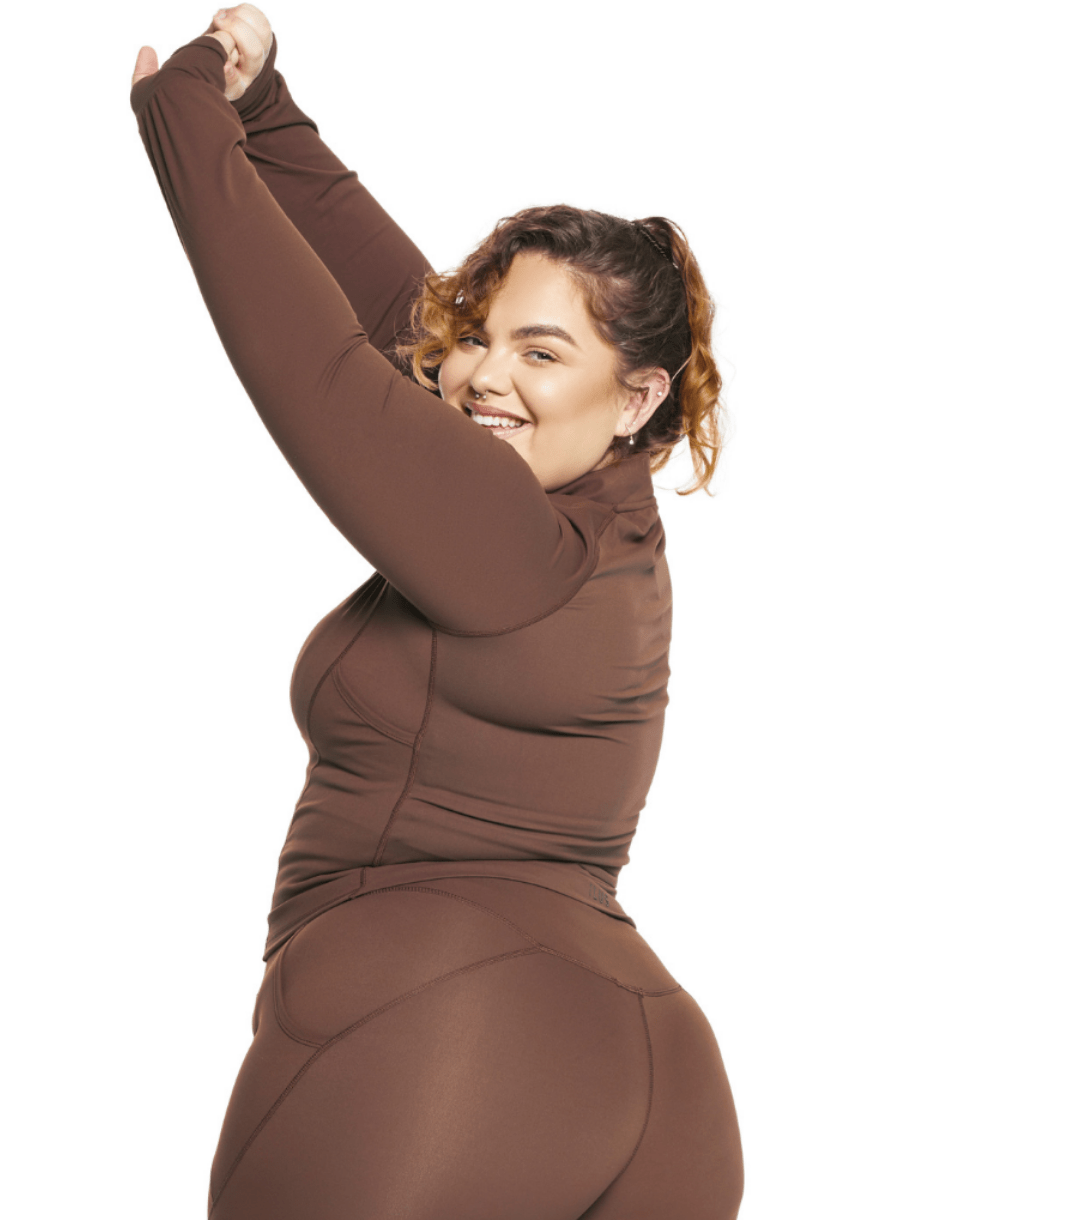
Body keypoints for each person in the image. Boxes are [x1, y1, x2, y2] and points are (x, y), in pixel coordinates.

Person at [130, 7, 744, 1217]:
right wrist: (269, 116)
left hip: (446, 1027)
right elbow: (406, 334)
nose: (485, 375)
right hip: (651, 1068)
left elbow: (321, 371)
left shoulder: (509, 539)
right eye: (482, 338)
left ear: (636, 397)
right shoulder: (602, 531)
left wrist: (184, 121)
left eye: (542, 353)